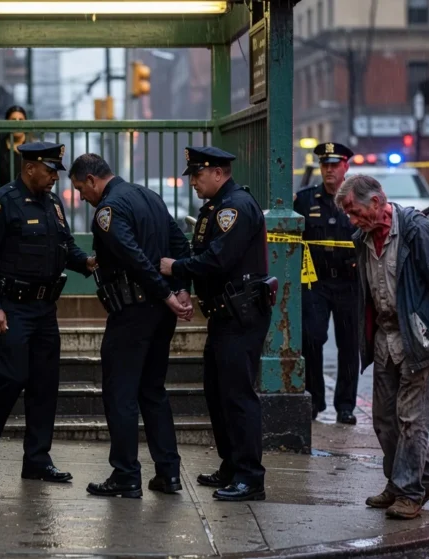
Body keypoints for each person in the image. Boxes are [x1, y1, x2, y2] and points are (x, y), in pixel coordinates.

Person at [335, 174, 429, 520]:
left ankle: (411, 492)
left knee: (412, 421)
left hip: (418, 338)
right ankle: (423, 480)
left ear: (377, 203)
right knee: (384, 421)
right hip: (385, 340)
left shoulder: (415, 231)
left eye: (354, 211)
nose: (351, 220)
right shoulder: (362, 239)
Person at [0, 141, 95, 484]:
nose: (55, 177)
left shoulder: (52, 203)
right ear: (30, 168)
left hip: (44, 308)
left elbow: (65, 244)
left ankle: (37, 459)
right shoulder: (0, 203)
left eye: (57, 171)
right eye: (50, 170)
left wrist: (86, 262)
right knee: (10, 380)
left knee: (44, 384)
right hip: (12, 307)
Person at [66, 154, 191, 499]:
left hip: (132, 312)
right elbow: (180, 245)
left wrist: (167, 293)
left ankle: (126, 475)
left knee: (120, 394)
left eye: (80, 188)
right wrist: (181, 289)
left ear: (92, 179)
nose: (81, 197)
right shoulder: (149, 196)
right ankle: (168, 473)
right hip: (159, 315)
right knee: (153, 392)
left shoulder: (108, 210)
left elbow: (133, 255)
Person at [158, 146, 274, 502]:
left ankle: (250, 476)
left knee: (238, 396)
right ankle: (231, 465)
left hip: (241, 316)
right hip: (224, 315)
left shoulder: (234, 207)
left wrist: (175, 269)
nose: (193, 182)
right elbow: (204, 257)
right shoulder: (214, 209)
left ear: (218, 173)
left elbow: (218, 259)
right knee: (217, 391)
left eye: (197, 174)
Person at [293, 142, 360, 425]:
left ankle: (345, 406)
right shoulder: (306, 200)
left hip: (348, 283)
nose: (329, 170)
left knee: (348, 345)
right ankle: (315, 399)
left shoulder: (358, 197)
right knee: (312, 338)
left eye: (334, 165)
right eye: (325, 165)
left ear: (346, 166)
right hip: (316, 282)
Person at [0, 105, 29, 189]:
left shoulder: (32, 147)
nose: (17, 123)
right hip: (4, 195)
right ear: (7, 123)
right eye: (13, 120)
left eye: (20, 120)